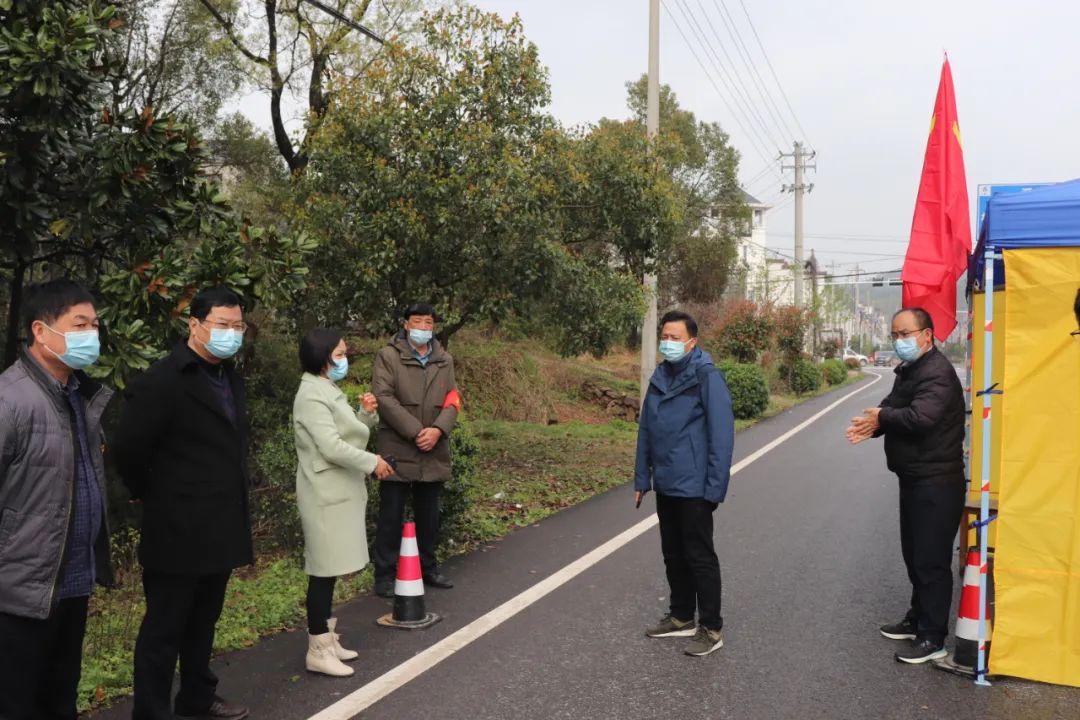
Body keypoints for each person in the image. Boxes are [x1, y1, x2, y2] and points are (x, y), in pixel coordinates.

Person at [114, 286, 253, 720]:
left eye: (238, 326)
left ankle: (196, 696)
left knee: (203, 624)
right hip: (175, 529)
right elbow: (127, 450)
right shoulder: (162, 381)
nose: (231, 334)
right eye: (222, 325)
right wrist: (152, 494)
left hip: (220, 525)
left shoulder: (229, 377)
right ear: (194, 325)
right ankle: (152, 712)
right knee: (163, 631)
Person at [0, 280, 114, 720]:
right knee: (17, 704)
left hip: (70, 584)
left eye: (95, 324)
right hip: (19, 593)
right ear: (40, 331)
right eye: (79, 324)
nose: (92, 334)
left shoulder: (78, 397)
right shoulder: (11, 400)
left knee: (60, 699)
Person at [846, 307, 966, 664]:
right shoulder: (911, 370)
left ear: (927, 335)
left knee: (931, 561)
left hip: (937, 482)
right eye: (895, 335)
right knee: (915, 555)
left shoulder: (938, 373)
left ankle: (933, 638)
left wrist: (882, 418)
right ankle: (918, 619)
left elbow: (920, 418)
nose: (899, 341)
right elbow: (894, 406)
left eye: (905, 334)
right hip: (914, 478)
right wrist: (876, 422)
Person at [292, 328, 394, 677]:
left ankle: (328, 637)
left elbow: (344, 433)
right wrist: (373, 462)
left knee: (331, 569)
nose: (344, 359)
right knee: (322, 570)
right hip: (324, 494)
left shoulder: (325, 387)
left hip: (339, 490)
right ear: (322, 356)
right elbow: (331, 447)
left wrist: (364, 414)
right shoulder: (310, 395)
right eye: (339, 354)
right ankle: (317, 648)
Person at [635, 310, 735, 658]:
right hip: (667, 482)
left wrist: (714, 489)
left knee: (699, 556)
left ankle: (711, 626)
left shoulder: (707, 377)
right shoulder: (660, 376)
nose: (668, 343)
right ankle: (680, 616)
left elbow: (722, 436)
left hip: (694, 485)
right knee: (673, 553)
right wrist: (641, 477)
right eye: (665, 336)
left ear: (692, 342)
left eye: (675, 337)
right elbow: (646, 428)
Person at [371, 303, 461, 598]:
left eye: (428, 323)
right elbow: (384, 397)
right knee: (391, 514)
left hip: (433, 446)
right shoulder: (388, 356)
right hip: (398, 444)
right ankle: (384, 575)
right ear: (405, 324)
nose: (423, 327)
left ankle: (428, 567)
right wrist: (415, 431)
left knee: (429, 514)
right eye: (417, 321)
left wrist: (437, 430)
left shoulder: (444, 359)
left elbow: (453, 398)